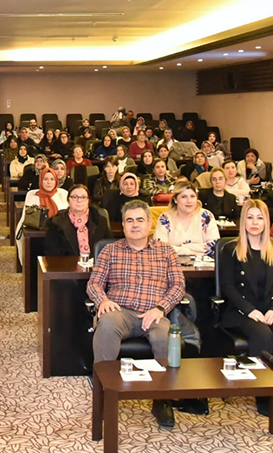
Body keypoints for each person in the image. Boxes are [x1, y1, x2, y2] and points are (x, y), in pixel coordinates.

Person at [87, 200, 186, 428]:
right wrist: (103, 301)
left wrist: (161, 308)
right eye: (129, 220)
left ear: (150, 224)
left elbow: (178, 286)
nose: (135, 225)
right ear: (122, 225)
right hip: (119, 311)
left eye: (140, 220)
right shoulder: (110, 251)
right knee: (107, 325)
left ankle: (162, 400)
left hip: (153, 312)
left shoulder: (166, 251)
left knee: (165, 337)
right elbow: (94, 284)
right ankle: (104, 393)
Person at [219, 199, 273, 417]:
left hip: (272, 308)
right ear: (243, 221)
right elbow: (228, 286)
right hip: (243, 311)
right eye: (250, 217)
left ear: (266, 221)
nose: (254, 223)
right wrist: (250, 311)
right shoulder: (231, 249)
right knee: (262, 334)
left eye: (259, 218)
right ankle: (263, 393)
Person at [154, 181, 220, 256]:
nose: (189, 201)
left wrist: (183, 247)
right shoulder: (165, 218)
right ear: (175, 200)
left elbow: (214, 246)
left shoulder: (206, 216)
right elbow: (160, 248)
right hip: (172, 262)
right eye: (184, 197)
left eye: (192, 196)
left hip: (203, 262)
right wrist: (189, 251)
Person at [46, 185, 112, 257]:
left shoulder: (100, 221)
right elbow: (51, 253)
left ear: (88, 200)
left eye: (83, 197)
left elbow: (110, 247)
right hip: (67, 263)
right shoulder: (56, 223)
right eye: (74, 197)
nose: (79, 200)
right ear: (68, 200)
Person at [15, 167, 68, 248]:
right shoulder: (32, 195)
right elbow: (28, 219)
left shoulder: (63, 194)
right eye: (45, 179)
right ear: (41, 181)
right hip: (38, 234)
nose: (49, 182)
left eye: (52, 179)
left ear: (56, 181)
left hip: (61, 233)